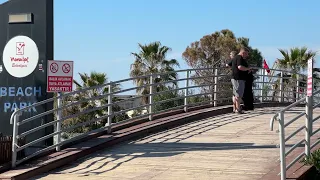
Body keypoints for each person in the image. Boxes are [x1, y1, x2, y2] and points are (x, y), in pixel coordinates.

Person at [226, 47, 251, 114]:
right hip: (238, 79)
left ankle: (235, 108)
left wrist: (233, 69)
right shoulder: (239, 58)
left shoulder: (235, 58)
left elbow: (228, 65)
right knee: (239, 95)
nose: (247, 55)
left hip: (234, 78)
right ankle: (238, 109)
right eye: (246, 54)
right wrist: (247, 69)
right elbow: (240, 67)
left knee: (235, 94)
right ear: (243, 53)